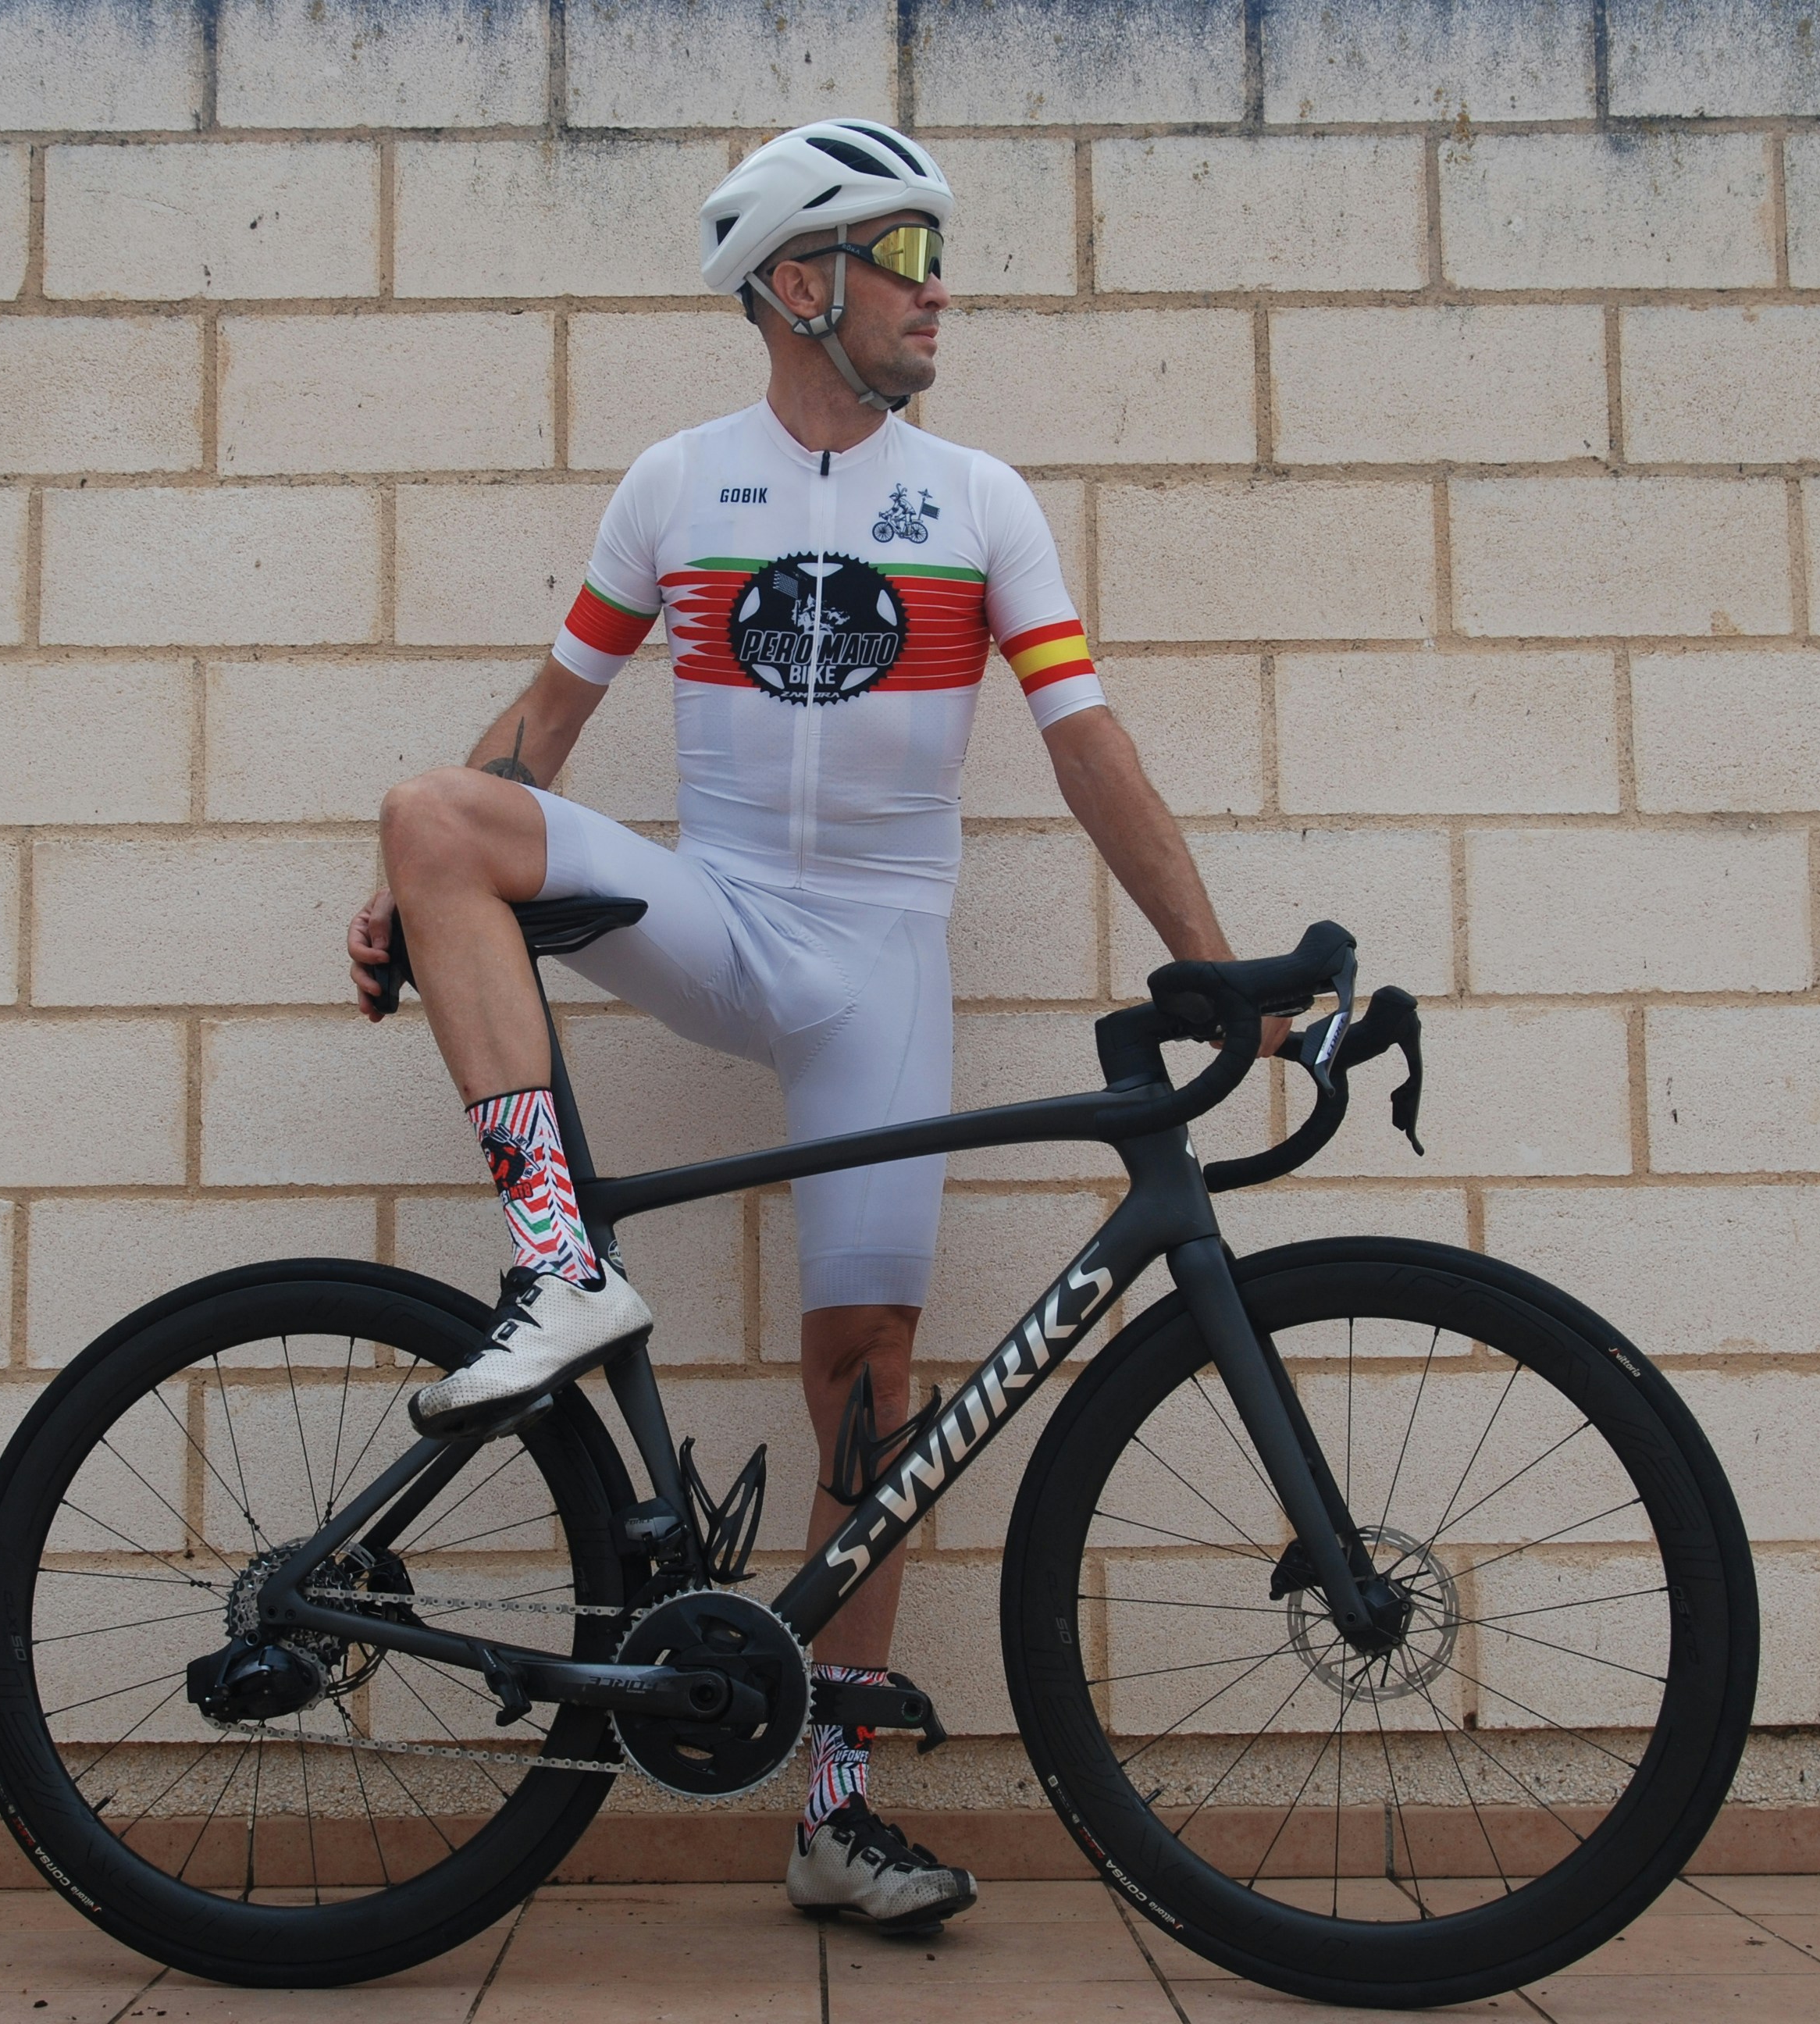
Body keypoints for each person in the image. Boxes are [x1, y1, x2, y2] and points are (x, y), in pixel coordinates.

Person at [345, 118, 1282, 1933]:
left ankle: (833, 1811)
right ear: (800, 282)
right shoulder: (677, 483)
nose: (940, 291)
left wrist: (1213, 958)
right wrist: (417, 877)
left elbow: (1083, 739)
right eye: (903, 254)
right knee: (433, 808)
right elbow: (550, 718)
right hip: (723, 913)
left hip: (879, 962)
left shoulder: (985, 499)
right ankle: (560, 1262)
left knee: (868, 1391)